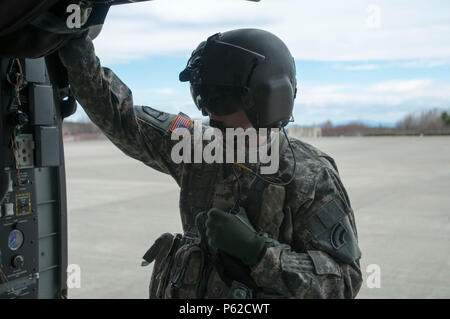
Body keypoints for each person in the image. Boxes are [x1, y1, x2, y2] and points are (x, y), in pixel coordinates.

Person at [58, 28, 363, 299]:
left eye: (220, 99)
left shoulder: (310, 176)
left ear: (267, 99)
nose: (209, 113)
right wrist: (76, 46)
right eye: (202, 98)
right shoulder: (196, 146)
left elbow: (344, 283)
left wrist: (258, 252)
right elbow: (120, 117)